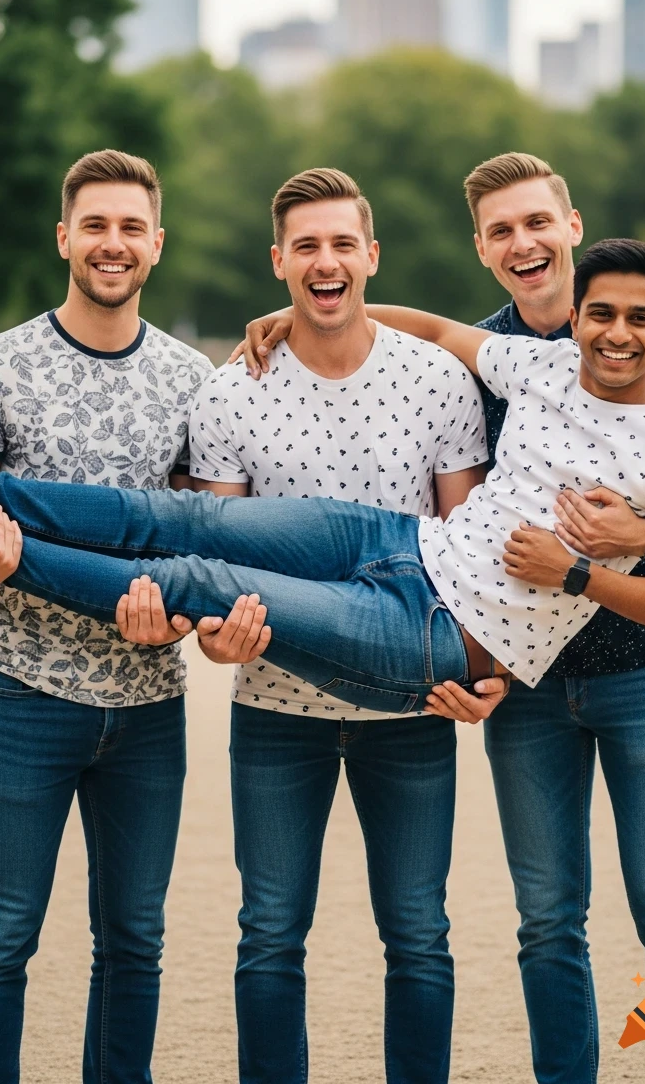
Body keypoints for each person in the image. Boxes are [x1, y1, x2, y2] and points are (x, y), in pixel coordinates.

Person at [239, 152, 645, 1084]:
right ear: (482, 247)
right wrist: (303, 311)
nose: (524, 244)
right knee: (548, 919)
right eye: (502, 231)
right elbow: (463, 515)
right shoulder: (486, 360)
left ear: (572, 226)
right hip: (532, 684)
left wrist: (632, 531)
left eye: (536, 224)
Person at [0, 240, 645, 723]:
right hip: (401, 544)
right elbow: (429, 322)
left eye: (639, 319)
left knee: (202, 582)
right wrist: (303, 311)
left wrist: (580, 575)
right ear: (578, 317)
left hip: (439, 632)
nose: (617, 333)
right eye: (603, 314)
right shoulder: (539, 364)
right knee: (182, 518)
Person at [0, 149, 266, 1084]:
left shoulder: (191, 380)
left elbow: (191, 542)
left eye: (130, 228)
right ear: (64, 238)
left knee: (134, 945)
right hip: (22, 697)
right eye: (95, 225)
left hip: (147, 705)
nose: (112, 244)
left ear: (156, 245)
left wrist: (170, 624)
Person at [135, 167, 497, 1084]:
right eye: (307, 245)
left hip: (410, 707)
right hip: (274, 707)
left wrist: (485, 666)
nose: (325, 260)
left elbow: (467, 557)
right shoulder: (230, 394)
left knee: (418, 933)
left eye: (343, 243)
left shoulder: (437, 382)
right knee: (268, 935)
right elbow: (214, 558)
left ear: (371, 257)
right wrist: (217, 640)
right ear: (279, 263)